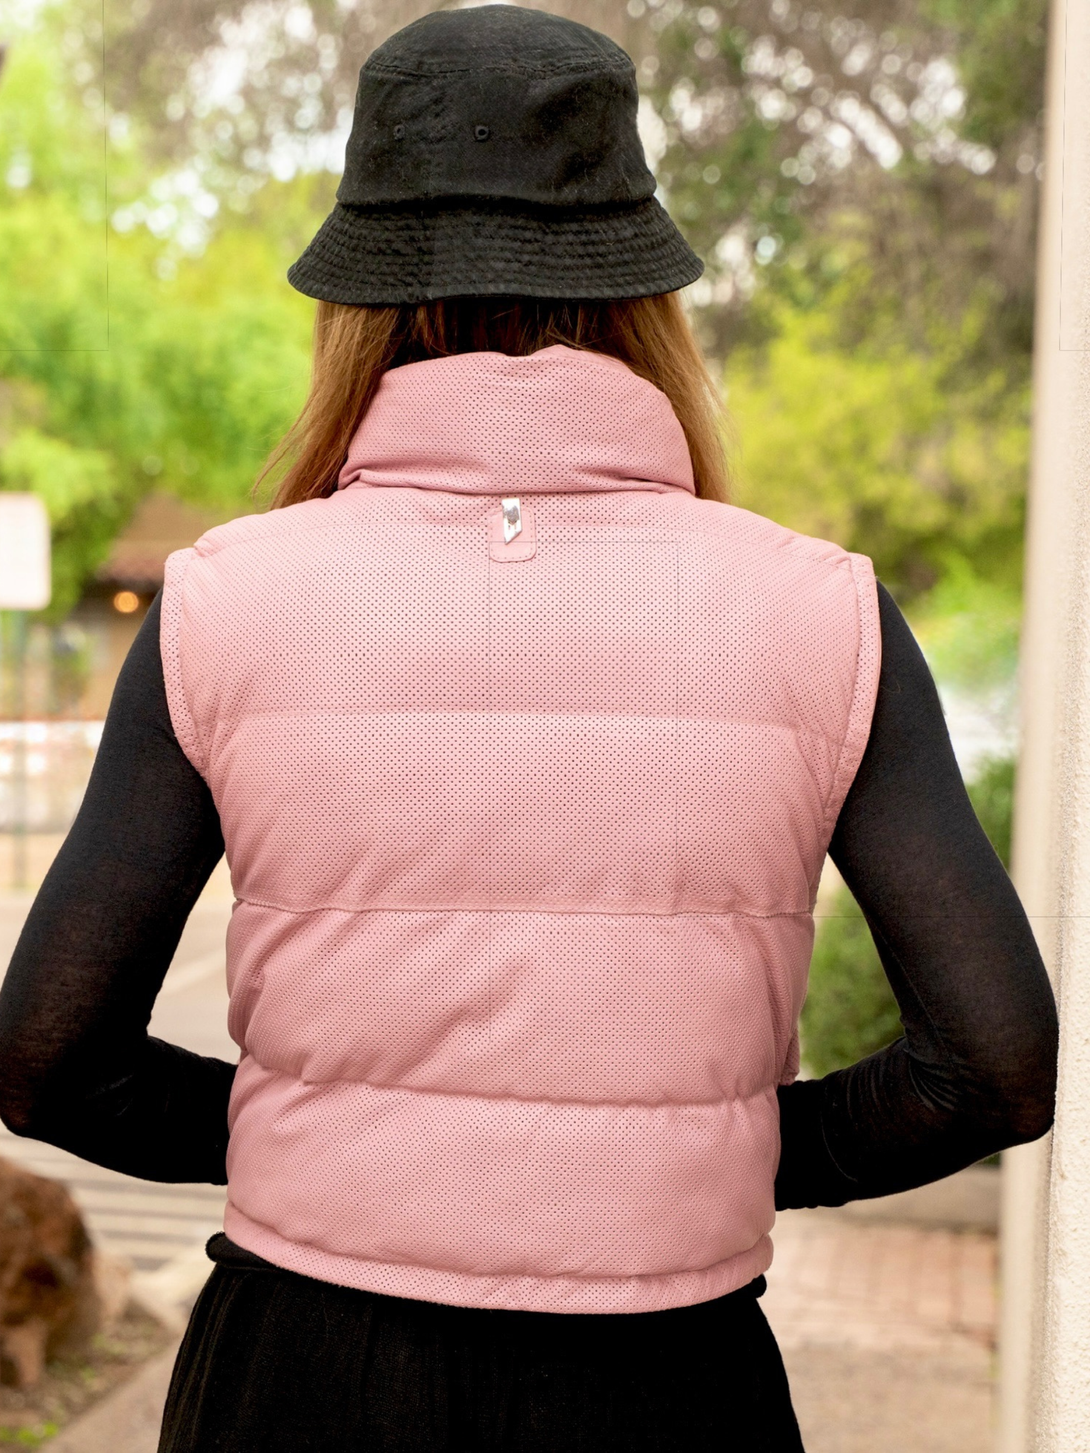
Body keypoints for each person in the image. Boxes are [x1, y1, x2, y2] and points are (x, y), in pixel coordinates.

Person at [0, 8, 1057, 1451]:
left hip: (303, 1374)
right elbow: (992, 1062)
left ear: (358, 303)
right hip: (666, 1386)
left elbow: (46, 1053)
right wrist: (731, 1148)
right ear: (645, 296)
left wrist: (338, 1137)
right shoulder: (822, 613)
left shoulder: (222, 603)